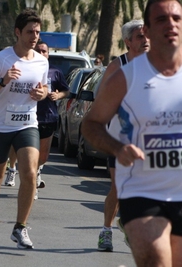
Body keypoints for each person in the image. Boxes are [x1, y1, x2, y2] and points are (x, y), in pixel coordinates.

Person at [81, 0, 182, 265]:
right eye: (161, 19)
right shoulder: (126, 75)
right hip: (142, 189)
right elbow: (90, 124)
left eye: (176, 18)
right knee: (156, 260)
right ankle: (107, 229)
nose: (170, 24)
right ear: (147, 30)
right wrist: (117, 148)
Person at [0, 9, 48, 249]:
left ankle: (20, 227)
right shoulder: (1, 60)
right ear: (17, 32)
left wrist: (42, 93)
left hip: (27, 124)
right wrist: (3, 81)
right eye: (30, 32)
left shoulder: (41, 61)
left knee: (29, 174)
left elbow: (44, 87)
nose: (34, 36)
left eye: (37, 32)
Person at [96, 19, 149, 252]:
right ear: (128, 41)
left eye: (148, 35)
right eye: (140, 36)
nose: (146, 40)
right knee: (118, 189)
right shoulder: (118, 66)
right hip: (119, 140)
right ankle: (106, 231)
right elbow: (102, 100)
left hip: (148, 140)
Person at [4, 41, 70, 201]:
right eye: (39, 50)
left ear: (48, 53)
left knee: (43, 156)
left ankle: (37, 171)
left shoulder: (55, 72)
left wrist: (58, 95)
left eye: (44, 51)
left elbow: (66, 91)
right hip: (26, 116)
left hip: (48, 116)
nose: (42, 53)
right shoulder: (26, 67)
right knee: (21, 151)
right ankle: (15, 172)